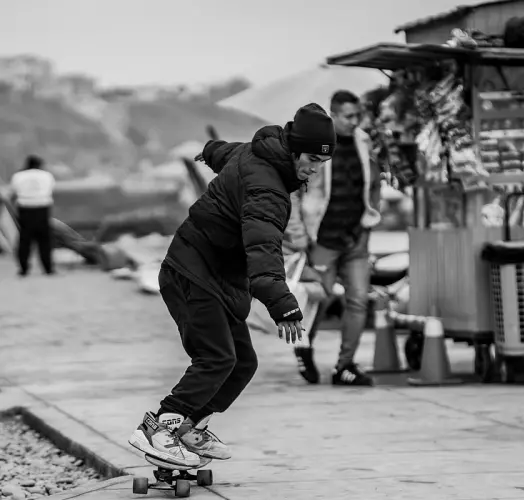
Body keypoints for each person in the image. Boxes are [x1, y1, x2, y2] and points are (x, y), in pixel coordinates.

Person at [128, 103, 336, 467]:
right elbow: (263, 249)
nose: (314, 169)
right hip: (192, 274)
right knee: (216, 357)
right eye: (311, 160)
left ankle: (190, 427)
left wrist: (209, 151)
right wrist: (283, 304)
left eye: (322, 162)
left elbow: (227, 152)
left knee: (242, 363)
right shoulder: (268, 191)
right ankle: (159, 427)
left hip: (217, 278)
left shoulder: (257, 152)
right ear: (293, 150)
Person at [286, 90, 382, 387]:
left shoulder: (364, 142)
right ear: (334, 115)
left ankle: (345, 367)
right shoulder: (315, 145)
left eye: (358, 116)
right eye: (349, 116)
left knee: (359, 301)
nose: (355, 121)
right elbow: (293, 191)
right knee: (320, 300)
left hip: (356, 239)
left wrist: (371, 217)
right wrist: (299, 236)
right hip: (322, 240)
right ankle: (303, 347)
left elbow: (374, 183)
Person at [9, 155, 56, 276]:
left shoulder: (18, 175)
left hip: (25, 208)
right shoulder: (46, 175)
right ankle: (48, 268)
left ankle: (23, 268)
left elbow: (13, 194)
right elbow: (50, 191)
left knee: (25, 239)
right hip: (42, 208)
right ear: (39, 165)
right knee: (44, 239)